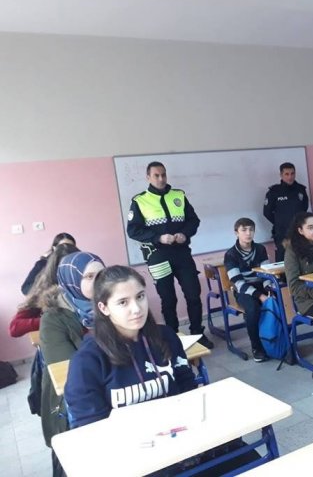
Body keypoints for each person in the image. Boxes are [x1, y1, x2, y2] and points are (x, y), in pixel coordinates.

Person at [65, 265, 260, 475]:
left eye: (140, 297)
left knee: (249, 459)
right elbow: (91, 431)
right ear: (104, 308)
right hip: (132, 458)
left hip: (180, 442)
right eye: (123, 302)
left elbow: (187, 388)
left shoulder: (165, 337)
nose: (136, 309)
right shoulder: (87, 361)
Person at [126, 161, 213, 349]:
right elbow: (133, 230)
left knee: (193, 294)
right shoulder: (140, 201)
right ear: (148, 177)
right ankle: (173, 338)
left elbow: (193, 221)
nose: (161, 179)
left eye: (163, 174)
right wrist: (158, 238)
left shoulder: (178, 195)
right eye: (156, 175)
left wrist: (185, 234)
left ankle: (197, 334)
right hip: (158, 255)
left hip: (182, 253)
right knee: (168, 299)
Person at [39, 251, 105, 476]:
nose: (99, 281)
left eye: (102, 274)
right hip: (74, 397)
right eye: (89, 277)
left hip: (112, 384)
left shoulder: (112, 303)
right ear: (72, 280)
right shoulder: (53, 318)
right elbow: (69, 371)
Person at [223, 217, 273, 362]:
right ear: (236, 233)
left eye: (251, 230)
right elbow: (238, 283)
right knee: (252, 308)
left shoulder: (260, 249)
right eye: (244, 230)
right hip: (243, 290)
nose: (248, 233)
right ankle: (257, 347)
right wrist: (260, 296)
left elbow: (265, 274)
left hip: (260, 286)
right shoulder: (231, 254)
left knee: (279, 300)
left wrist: (270, 290)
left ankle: (279, 341)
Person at [10, 242, 80, 338]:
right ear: (55, 270)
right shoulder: (45, 289)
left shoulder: (85, 284)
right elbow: (15, 327)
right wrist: (51, 320)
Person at [263, 162, 309, 262]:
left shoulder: (301, 190)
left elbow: (304, 209)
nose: (290, 177)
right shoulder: (274, 191)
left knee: (302, 258)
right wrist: (280, 222)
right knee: (283, 259)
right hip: (282, 233)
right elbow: (267, 212)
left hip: (299, 231)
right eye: (286, 174)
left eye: (292, 173)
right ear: (281, 175)